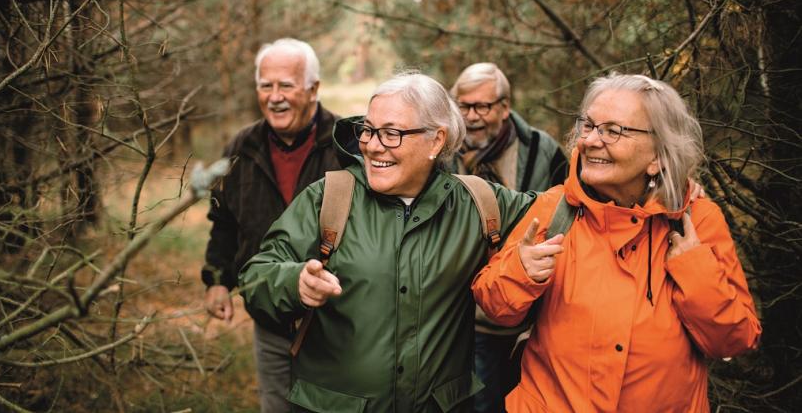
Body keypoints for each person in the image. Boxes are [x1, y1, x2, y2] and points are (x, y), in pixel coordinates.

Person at [239, 72, 538, 412]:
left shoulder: (477, 203)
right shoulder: (330, 198)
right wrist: (295, 283)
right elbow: (256, 276)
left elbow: (566, 213)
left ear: (436, 141)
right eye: (367, 130)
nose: (373, 145)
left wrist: (596, 156)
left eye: (391, 133)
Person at [472, 73, 762, 412]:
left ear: (658, 156)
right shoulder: (554, 209)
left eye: (613, 130)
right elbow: (493, 306)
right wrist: (520, 272)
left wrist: (694, 269)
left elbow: (735, 339)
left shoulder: (696, 220)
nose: (591, 141)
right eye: (589, 126)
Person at [201, 38, 341, 412]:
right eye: (266, 85)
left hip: (338, 323)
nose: (274, 96)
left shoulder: (347, 147)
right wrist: (217, 281)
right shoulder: (240, 148)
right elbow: (224, 222)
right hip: (270, 317)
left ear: (313, 90)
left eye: (286, 85)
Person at [450, 62, 568, 413]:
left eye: (481, 107)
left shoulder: (540, 149)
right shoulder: (443, 149)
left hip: (531, 308)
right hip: (464, 312)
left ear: (504, 107)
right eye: (463, 106)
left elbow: (571, 200)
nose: (471, 117)